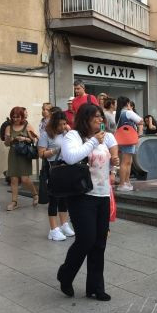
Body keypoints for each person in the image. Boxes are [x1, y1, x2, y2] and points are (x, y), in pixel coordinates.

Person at [57, 104, 119, 301]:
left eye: (101, 117)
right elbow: (70, 157)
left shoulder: (106, 137)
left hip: (102, 195)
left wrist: (114, 167)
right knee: (86, 240)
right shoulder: (73, 136)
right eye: (96, 117)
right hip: (81, 195)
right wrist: (92, 142)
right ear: (85, 118)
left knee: (99, 243)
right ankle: (66, 274)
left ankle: (95, 287)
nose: (100, 120)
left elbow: (109, 161)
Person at [37, 111, 75, 241]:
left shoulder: (66, 133)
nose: (64, 126)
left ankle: (64, 224)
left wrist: (69, 132)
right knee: (54, 199)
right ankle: (53, 229)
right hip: (53, 167)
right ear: (54, 124)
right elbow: (41, 154)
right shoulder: (45, 135)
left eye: (65, 123)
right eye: (61, 124)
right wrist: (55, 150)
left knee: (64, 198)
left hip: (65, 167)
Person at [3, 106, 39, 211]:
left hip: (24, 155)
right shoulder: (8, 127)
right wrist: (9, 139)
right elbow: (6, 144)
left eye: (18, 117)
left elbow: (35, 139)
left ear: (22, 116)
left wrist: (24, 138)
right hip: (13, 154)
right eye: (13, 117)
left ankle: (35, 194)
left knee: (25, 179)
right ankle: (14, 202)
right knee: (13, 179)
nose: (15, 119)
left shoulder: (27, 126)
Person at [115, 96, 143, 191]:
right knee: (125, 162)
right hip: (128, 139)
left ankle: (126, 182)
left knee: (127, 162)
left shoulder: (118, 114)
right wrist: (131, 110)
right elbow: (140, 121)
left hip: (121, 139)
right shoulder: (128, 112)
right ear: (127, 103)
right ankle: (122, 183)